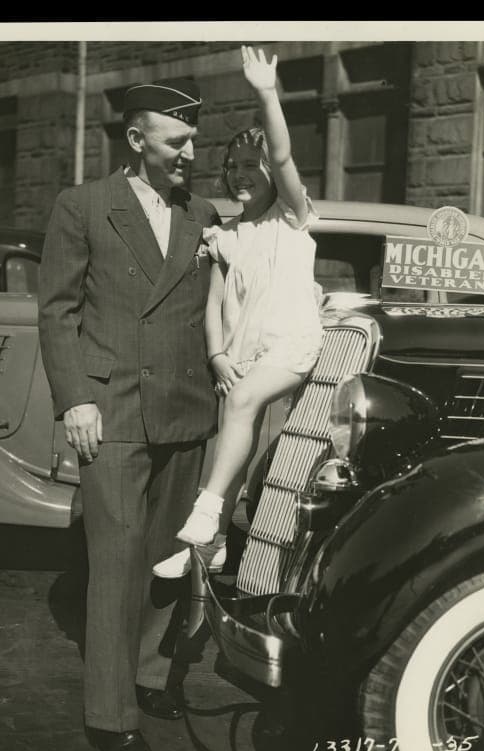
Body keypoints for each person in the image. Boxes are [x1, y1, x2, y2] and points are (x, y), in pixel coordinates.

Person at [38, 77, 226, 751]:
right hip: (111, 409)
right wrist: (74, 398)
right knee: (115, 565)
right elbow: (58, 310)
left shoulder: (201, 212)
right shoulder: (83, 205)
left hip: (186, 410)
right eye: (177, 141)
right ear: (137, 138)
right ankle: (109, 714)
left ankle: (150, 676)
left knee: (169, 560)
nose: (189, 153)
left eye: (194, 141)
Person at [153, 47, 323, 579]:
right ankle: (213, 543)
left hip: (292, 345)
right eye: (232, 168)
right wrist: (219, 355)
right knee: (230, 438)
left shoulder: (291, 218)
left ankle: (203, 514)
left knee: (244, 404)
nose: (240, 175)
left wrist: (266, 91)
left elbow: (286, 155)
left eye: (252, 166)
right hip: (245, 357)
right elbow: (213, 305)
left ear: (272, 172)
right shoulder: (225, 236)